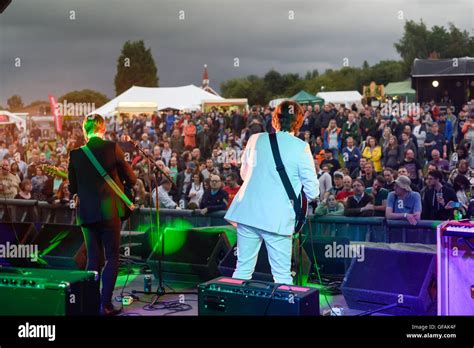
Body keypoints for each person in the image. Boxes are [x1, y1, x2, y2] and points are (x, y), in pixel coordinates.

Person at [225, 100, 319, 285]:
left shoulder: (255, 139)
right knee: (282, 276)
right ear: (298, 121)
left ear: (275, 119)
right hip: (277, 219)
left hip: (248, 213)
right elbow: (313, 191)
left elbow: (244, 174)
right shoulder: (301, 147)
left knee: (242, 270)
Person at [68, 114, 137, 316]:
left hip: (87, 214)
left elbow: (72, 187)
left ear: (85, 130)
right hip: (109, 212)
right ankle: (105, 305)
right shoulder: (111, 148)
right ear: (103, 128)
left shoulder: (75, 154)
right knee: (113, 256)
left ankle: (91, 303)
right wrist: (125, 186)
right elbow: (131, 177)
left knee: (92, 258)